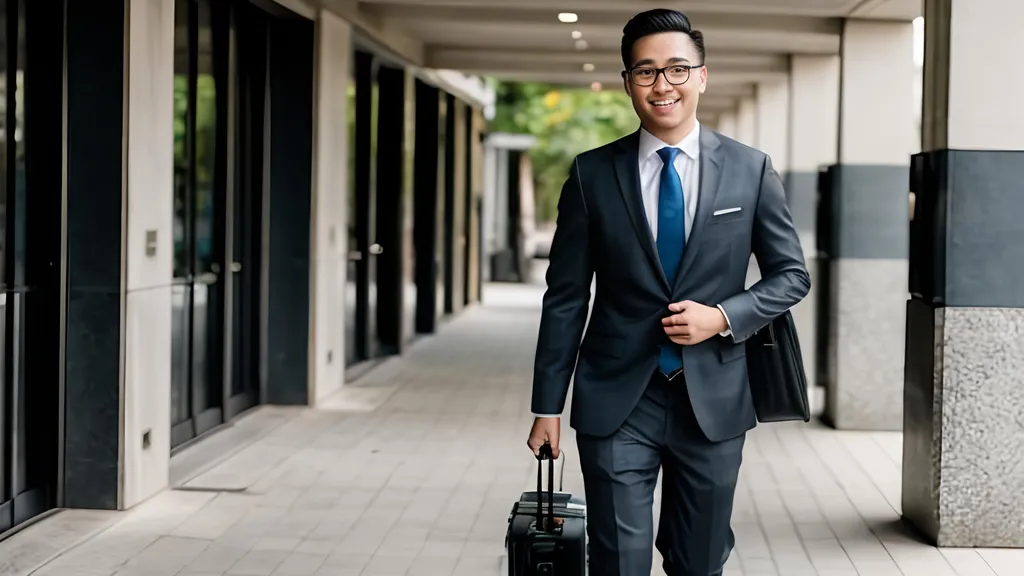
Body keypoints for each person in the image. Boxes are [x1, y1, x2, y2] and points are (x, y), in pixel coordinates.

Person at [526, 8, 811, 576]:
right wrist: (546, 407)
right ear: (628, 81)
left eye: (678, 69)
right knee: (618, 560)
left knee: (699, 560)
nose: (664, 85)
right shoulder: (591, 174)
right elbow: (565, 297)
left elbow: (791, 275)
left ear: (702, 76)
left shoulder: (750, 170)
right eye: (646, 71)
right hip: (617, 398)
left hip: (714, 399)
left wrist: (723, 317)